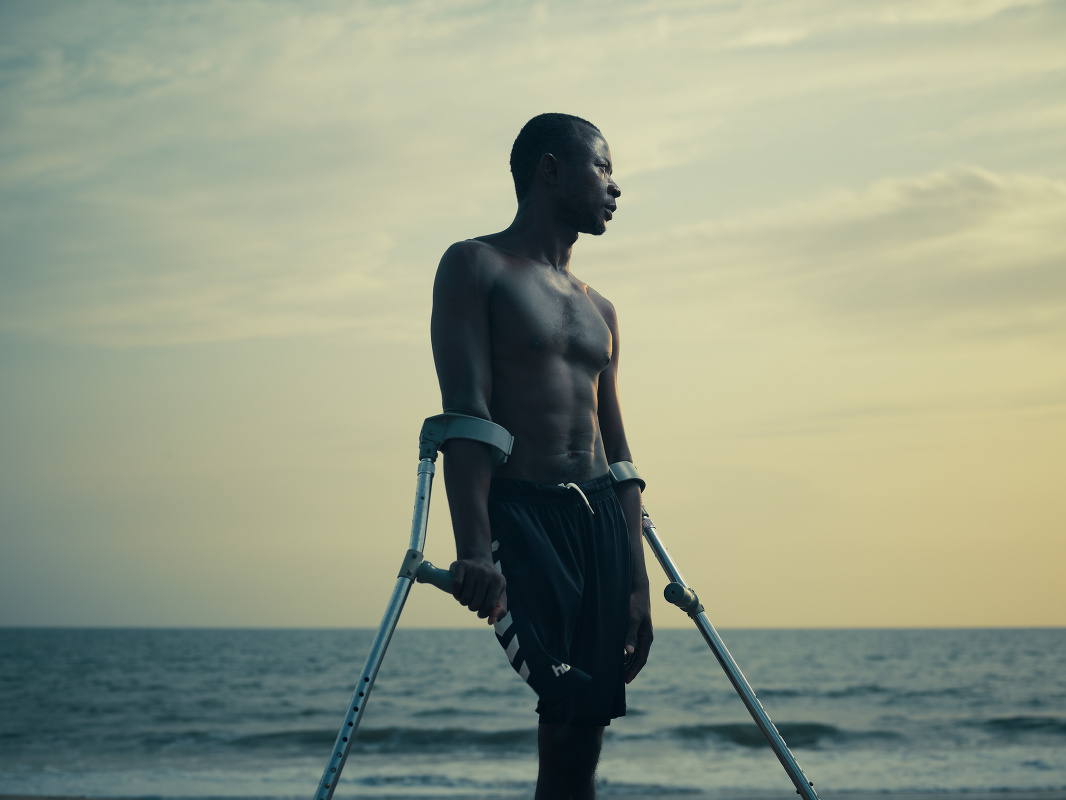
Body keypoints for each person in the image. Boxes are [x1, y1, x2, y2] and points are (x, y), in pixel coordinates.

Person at [430, 113, 653, 799]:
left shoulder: (602, 309)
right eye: (604, 168)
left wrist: (637, 579)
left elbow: (618, 449)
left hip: (600, 528)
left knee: (582, 731)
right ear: (550, 169)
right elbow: (467, 413)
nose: (615, 187)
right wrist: (474, 547)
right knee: (565, 696)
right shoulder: (476, 264)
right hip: (524, 517)